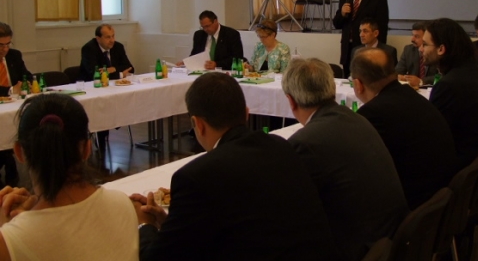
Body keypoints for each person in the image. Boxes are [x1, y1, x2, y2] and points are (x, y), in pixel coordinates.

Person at [131, 72, 339, 261]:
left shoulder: (196, 177)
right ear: (246, 114)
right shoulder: (281, 147)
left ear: (198, 124)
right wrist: (169, 222)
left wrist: (144, 224)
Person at [282, 58, 408, 261]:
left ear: (291, 101)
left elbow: (291, 209)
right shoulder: (357, 119)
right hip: (394, 238)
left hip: (361, 249)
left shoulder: (305, 143)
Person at [0, 93, 139, 260]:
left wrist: (7, 227)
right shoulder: (123, 204)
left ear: (19, 152)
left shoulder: (10, 242)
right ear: (87, 149)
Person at [351, 48, 457, 209]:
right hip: (443, 194)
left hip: (417, 204)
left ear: (358, 85)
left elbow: (363, 169)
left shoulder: (374, 113)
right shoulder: (410, 95)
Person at [421, 18, 478, 168]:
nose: (420, 49)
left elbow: (432, 136)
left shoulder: (449, 85)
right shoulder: (477, 74)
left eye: (425, 44)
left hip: (458, 166)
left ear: (441, 49)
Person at [80, 24, 134, 151]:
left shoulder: (118, 47)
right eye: (108, 37)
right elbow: (95, 74)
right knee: (103, 107)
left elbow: (130, 68)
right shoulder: (89, 49)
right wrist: (120, 74)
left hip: (113, 88)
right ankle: (101, 141)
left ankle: (110, 128)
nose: (112, 40)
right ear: (98, 38)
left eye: (113, 36)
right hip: (91, 89)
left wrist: (112, 69)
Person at [333, 0, 389, 77]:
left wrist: (379, 51)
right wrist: (342, 14)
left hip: (366, 48)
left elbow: (382, 27)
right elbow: (336, 24)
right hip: (347, 48)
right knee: (348, 79)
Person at [0, 22, 32, 187]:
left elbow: (26, 76)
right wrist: (10, 89)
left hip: (13, 105)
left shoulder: (14, 55)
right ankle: (7, 159)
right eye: (1, 45)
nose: (5, 49)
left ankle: (8, 158)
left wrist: (27, 83)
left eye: (8, 44)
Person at [396, 21, 438, 86]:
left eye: (417, 36)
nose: (412, 39)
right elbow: (398, 71)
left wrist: (421, 81)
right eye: (412, 35)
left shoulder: (436, 51)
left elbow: (442, 76)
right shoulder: (408, 50)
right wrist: (402, 77)